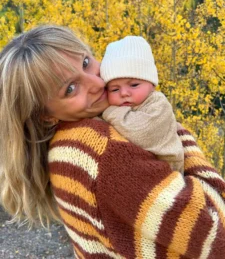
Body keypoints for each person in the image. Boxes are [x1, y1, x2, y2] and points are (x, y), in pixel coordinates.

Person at [0, 25, 225, 259]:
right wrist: (181, 137)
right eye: (70, 88)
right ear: (46, 116)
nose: (97, 84)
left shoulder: (62, 145)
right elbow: (216, 234)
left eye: (86, 63)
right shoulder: (103, 150)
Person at [100, 36, 184, 173]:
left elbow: (139, 133)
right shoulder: (122, 108)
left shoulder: (158, 103)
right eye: (115, 89)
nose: (124, 93)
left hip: (168, 172)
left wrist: (109, 112)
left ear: (152, 85)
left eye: (134, 85)